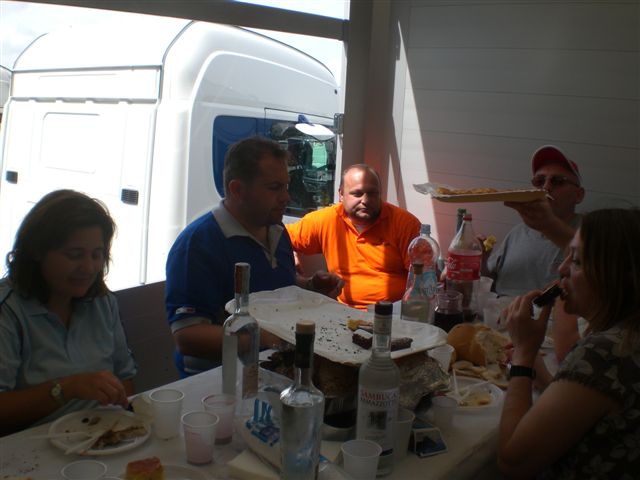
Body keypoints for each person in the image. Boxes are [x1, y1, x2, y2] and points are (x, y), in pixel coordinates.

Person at [165, 136, 342, 377]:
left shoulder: (276, 230)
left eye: (286, 186)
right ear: (237, 190)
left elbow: (274, 286)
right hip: (220, 381)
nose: (286, 197)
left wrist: (311, 286)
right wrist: (267, 338)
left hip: (275, 370)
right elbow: (188, 337)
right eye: (274, 188)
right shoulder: (197, 244)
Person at [498, 208, 640, 479]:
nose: (561, 269)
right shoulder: (627, 335)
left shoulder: (605, 352)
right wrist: (544, 377)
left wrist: (524, 356)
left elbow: (513, 463)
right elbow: (587, 409)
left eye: (576, 261)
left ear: (614, 275)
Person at [0, 190, 137, 435]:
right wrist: (66, 388)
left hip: (100, 436)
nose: (89, 267)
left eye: (97, 255)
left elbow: (124, 379)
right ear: (37, 251)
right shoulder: (9, 310)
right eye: (75, 255)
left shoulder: (101, 302)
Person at [286, 164, 421, 310]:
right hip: (343, 313)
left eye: (373, 193)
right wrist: (289, 254)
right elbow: (278, 234)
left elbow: (424, 279)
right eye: (357, 194)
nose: (366, 200)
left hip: (392, 314)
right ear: (341, 194)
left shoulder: (405, 224)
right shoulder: (326, 220)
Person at [485, 145, 585, 297]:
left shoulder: (592, 230)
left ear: (579, 195)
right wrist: (481, 261)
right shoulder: (518, 231)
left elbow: (601, 268)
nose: (546, 187)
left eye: (558, 181)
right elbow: (489, 281)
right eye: (539, 181)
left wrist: (549, 225)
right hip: (497, 308)